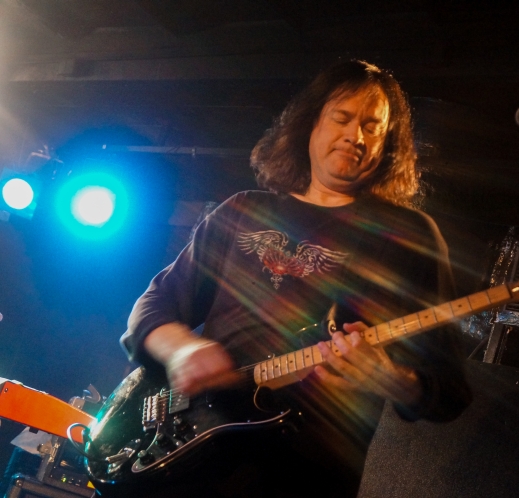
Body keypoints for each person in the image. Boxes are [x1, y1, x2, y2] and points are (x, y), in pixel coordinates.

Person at [120, 60, 471, 497]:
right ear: (311, 125)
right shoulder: (243, 210)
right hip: (191, 456)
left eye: (372, 127)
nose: (356, 136)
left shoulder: (409, 236)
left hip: (305, 472)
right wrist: (183, 350)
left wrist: (392, 379)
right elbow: (151, 308)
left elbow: (449, 391)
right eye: (342, 118)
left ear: (387, 145)